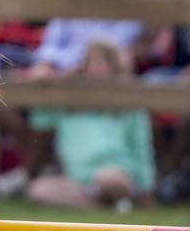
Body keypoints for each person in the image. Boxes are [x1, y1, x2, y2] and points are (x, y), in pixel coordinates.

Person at [26, 40, 155, 209]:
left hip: (117, 175)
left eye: (102, 62)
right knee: (38, 190)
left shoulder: (129, 105)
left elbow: (142, 149)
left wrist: (147, 190)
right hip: (79, 182)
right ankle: (107, 208)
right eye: (91, 62)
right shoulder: (68, 102)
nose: (96, 68)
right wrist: (46, 87)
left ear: (115, 68)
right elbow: (40, 122)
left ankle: (115, 201)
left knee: (109, 179)